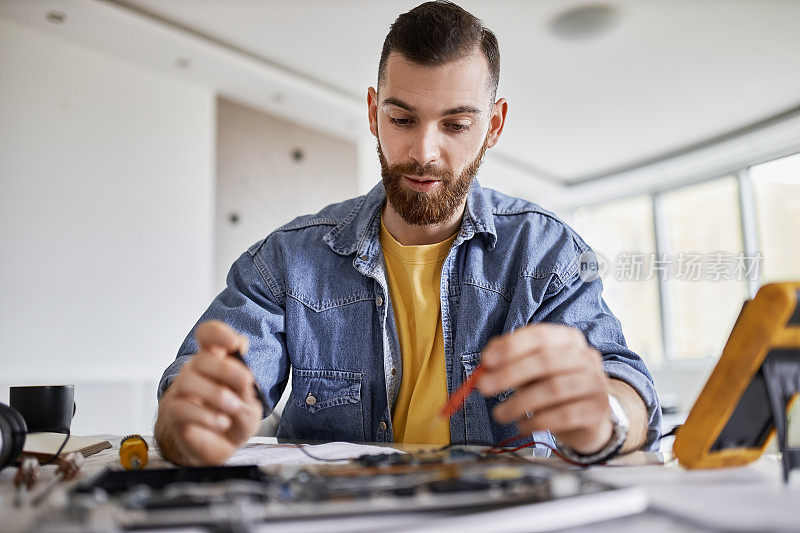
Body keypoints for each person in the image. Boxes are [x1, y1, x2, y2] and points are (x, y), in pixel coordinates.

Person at [154, 0, 661, 466]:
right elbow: (191, 404)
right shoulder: (285, 261)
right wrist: (192, 420)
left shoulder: (546, 252)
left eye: (456, 125)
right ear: (374, 113)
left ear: (495, 125)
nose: (424, 151)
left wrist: (605, 417)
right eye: (401, 118)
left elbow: (628, 387)